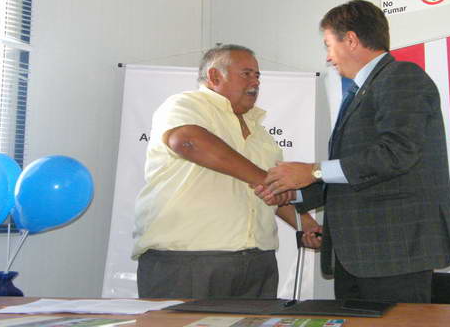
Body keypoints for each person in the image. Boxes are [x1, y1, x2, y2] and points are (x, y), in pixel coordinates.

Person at [256, 0, 450, 303]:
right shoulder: (359, 91)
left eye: (329, 45)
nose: (328, 57)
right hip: (358, 255)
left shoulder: (401, 76)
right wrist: (293, 194)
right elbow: (354, 173)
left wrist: (313, 170)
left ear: (351, 40)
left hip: (393, 252)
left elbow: (397, 153)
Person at [132, 44, 315, 299]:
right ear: (215, 76)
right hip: (187, 261)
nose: (256, 82)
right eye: (246, 74)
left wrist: (306, 225)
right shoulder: (185, 104)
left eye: (258, 76)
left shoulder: (260, 133)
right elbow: (187, 141)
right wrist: (264, 179)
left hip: (258, 262)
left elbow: (271, 190)